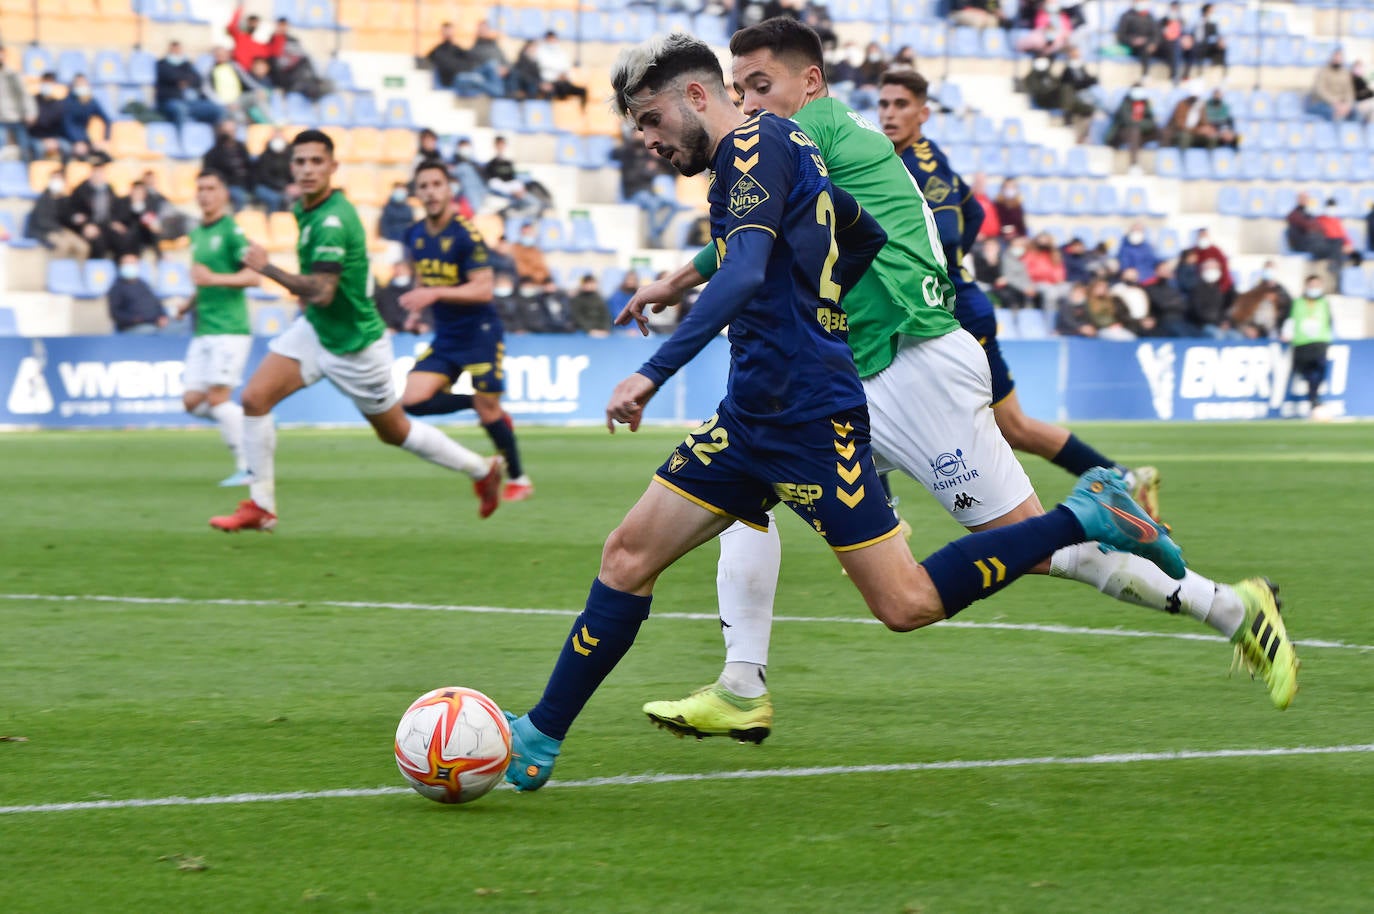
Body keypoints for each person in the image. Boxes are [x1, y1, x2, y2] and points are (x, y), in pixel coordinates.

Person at [500, 31, 1206, 793]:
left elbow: (740, 275)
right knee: (627, 555)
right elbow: (858, 231)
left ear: (697, 98)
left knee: (903, 604)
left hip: (807, 419)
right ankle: (539, 736)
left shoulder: (752, 151)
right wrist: (816, 303)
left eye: (649, 120)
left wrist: (652, 371)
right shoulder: (782, 149)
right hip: (751, 415)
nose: (646, 141)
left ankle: (1089, 510)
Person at [623, 22, 1292, 748]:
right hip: (855, 372)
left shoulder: (804, 130)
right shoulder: (788, 144)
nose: (746, 103)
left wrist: (679, 280)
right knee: (750, 500)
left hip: (913, 364)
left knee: (1037, 547)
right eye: (739, 88)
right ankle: (741, 685)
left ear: (810, 82)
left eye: (760, 86)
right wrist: (676, 278)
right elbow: (751, 229)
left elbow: (750, 228)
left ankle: (1230, 606)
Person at [878, 67, 1151, 508]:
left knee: (1008, 426)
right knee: (1007, 426)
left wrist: (931, 272)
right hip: (947, 305)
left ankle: (885, 511)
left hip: (949, 312)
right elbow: (976, 213)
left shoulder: (921, 165)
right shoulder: (909, 158)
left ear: (923, 112)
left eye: (901, 105)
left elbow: (949, 233)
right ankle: (1120, 477)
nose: (890, 114)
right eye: (884, 104)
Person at [209, 129, 505, 532]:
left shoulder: (332, 220)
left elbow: (324, 291)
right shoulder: (305, 206)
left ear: (333, 167)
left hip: (355, 346)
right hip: (318, 329)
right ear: (291, 167)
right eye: (300, 161)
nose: (308, 169)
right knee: (255, 398)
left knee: (394, 430)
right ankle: (261, 507)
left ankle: (481, 469)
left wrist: (267, 268)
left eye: (317, 161)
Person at [398, 159, 533, 503]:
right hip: (447, 335)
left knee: (490, 414)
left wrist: (435, 293)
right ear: (417, 193)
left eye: (436, 184)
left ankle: (518, 478)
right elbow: (423, 277)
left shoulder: (465, 234)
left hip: (480, 333)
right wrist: (418, 311)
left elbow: (483, 289)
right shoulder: (413, 235)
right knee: (412, 400)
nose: (430, 192)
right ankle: (480, 403)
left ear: (449, 189)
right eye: (424, 186)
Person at [176, 170, 257, 486]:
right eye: (200, 189)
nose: (205, 194)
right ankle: (248, 423)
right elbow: (205, 279)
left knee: (219, 399)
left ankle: (248, 467)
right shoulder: (197, 233)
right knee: (192, 402)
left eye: (211, 188)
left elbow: (253, 277)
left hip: (230, 329)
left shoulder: (233, 231)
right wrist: (190, 301)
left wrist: (214, 279)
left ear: (224, 194)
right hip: (204, 328)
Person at [611, 124, 682, 247]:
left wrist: (658, 160)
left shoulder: (649, 153)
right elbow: (629, 174)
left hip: (650, 191)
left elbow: (672, 170)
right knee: (652, 203)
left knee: (673, 205)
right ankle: (653, 238)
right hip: (634, 192)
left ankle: (658, 230)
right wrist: (648, 171)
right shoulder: (628, 153)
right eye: (638, 132)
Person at [1281, 276, 1334, 418]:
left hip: (1320, 341)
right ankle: (1312, 401)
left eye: (1317, 285)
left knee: (1320, 370)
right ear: (1306, 286)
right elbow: (1289, 319)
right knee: (1307, 373)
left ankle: (1314, 400)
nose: (1314, 288)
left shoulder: (1324, 302)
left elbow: (1329, 321)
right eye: (1312, 285)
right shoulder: (1297, 303)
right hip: (1302, 343)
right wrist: (1286, 333)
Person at [156, 41, 225, 129]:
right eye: (174, 50)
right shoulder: (162, 64)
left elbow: (197, 79)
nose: (176, 52)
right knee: (180, 110)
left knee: (217, 110)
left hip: (190, 103)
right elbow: (171, 76)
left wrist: (183, 80)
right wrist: (184, 79)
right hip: (170, 101)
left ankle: (217, 139)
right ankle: (182, 141)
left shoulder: (186, 64)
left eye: (178, 49)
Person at [24, 171, 89, 259]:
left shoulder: (64, 199)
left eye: (59, 179)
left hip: (61, 230)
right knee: (63, 246)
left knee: (83, 247)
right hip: (46, 231)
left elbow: (66, 216)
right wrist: (58, 229)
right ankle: (58, 271)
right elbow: (41, 221)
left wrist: (74, 218)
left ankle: (79, 272)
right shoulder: (43, 199)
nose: (57, 182)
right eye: (55, 179)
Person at [1105, 83, 1159, 171]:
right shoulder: (1125, 103)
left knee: (1159, 131)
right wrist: (1143, 124)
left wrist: (1141, 124)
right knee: (1135, 132)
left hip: (1142, 133)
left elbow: (1151, 121)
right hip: (1123, 133)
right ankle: (1134, 165)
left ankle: (1164, 162)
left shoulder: (1145, 103)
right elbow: (1128, 121)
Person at [107, 253, 166, 333]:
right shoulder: (117, 288)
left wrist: (162, 315)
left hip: (155, 322)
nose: (130, 266)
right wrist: (134, 319)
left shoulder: (143, 284)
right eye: (127, 264)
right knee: (152, 331)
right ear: (120, 266)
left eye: (132, 264)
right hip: (134, 327)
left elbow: (156, 303)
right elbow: (115, 313)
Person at [202, 119, 253, 211]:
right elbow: (211, 173)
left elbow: (249, 166)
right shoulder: (214, 153)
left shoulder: (241, 147)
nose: (230, 134)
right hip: (229, 185)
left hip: (246, 183)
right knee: (239, 197)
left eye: (232, 131)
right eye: (227, 132)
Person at [59, 75, 111, 160]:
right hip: (68, 139)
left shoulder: (91, 102)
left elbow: (107, 120)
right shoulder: (67, 102)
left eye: (83, 84)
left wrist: (105, 140)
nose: (82, 87)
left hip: (84, 139)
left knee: (104, 157)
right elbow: (67, 124)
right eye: (79, 84)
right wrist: (77, 142)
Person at [533, 30, 588, 109]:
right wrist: (558, 74)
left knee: (582, 91)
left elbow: (566, 67)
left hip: (563, 82)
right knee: (551, 91)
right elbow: (545, 66)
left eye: (553, 38)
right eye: (550, 39)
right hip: (551, 82)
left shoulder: (561, 52)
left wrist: (564, 75)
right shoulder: (540, 51)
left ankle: (582, 114)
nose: (552, 41)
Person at [226, 4, 285, 73]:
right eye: (251, 21)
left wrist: (280, 33)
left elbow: (274, 52)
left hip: (250, 75)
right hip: (237, 71)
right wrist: (239, 8)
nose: (253, 24)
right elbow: (231, 28)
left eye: (255, 22)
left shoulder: (262, 45)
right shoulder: (241, 37)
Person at [111, 180, 162, 258]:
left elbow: (154, 224)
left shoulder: (149, 205)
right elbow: (115, 219)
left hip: (143, 236)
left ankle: (159, 255)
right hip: (124, 235)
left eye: (140, 192)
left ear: (144, 194)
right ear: (131, 192)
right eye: (135, 191)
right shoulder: (121, 203)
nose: (137, 194)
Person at [0, 47, 34, 161]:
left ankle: (27, 173)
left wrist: (30, 112)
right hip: (1, 118)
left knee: (25, 149)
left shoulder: (12, 75)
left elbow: (24, 94)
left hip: (16, 117)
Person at [28, 72, 68, 162]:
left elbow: (59, 123)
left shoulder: (58, 104)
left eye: (50, 83)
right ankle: (37, 172)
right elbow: (34, 123)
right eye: (45, 82)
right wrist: (44, 140)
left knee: (67, 148)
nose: (47, 85)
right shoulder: (33, 101)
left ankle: (63, 172)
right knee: (38, 149)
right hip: (36, 137)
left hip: (54, 137)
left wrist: (54, 139)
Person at [1307, 49, 1356, 122]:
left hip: (1342, 104)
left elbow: (1350, 92)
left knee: (1356, 113)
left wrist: (1347, 105)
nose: (1337, 59)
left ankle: (1350, 132)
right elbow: (1320, 91)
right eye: (1336, 57)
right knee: (1332, 112)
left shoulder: (1345, 73)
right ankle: (1332, 132)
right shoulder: (1323, 71)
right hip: (1324, 103)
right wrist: (1335, 102)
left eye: (1340, 57)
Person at [253, 128, 293, 211]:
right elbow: (264, 177)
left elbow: (293, 174)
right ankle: (272, 220)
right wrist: (283, 187)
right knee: (275, 199)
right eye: (276, 138)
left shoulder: (290, 156)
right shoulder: (264, 156)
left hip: (285, 187)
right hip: (266, 187)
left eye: (280, 138)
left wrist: (294, 185)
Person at [1116, 0, 1160, 78]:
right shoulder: (1126, 16)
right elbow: (1121, 36)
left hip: (1149, 45)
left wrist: (1154, 43)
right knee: (1145, 47)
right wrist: (1133, 41)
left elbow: (1156, 34)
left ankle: (1175, 77)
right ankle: (1145, 75)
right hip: (1133, 47)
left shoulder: (1149, 16)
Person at [1184, 3, 1227, 79]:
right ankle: (1188, 75)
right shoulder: (1196, 21)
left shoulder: (1212, 23)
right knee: (1193, 50)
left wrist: (1220, 41)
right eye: (1211, 11)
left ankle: (1222, 74)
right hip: (1196, 45)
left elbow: (1216, 34)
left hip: (1206, 46)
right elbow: (1190, 34)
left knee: (1222, 48)